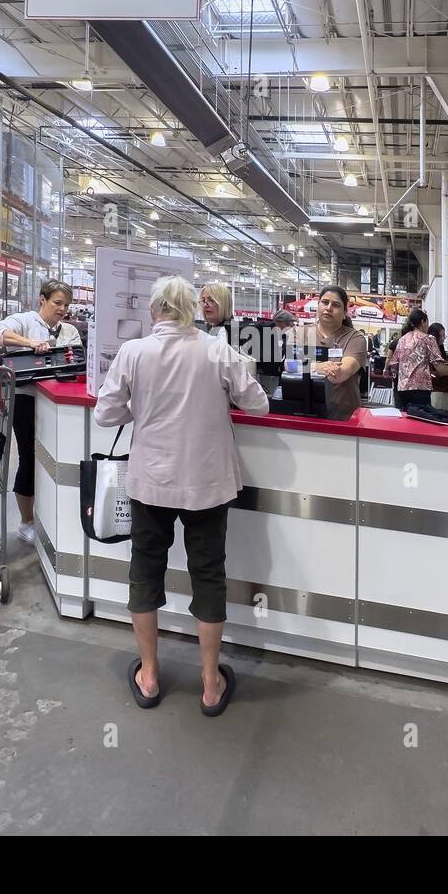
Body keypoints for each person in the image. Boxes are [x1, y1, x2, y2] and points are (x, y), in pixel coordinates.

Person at [95, 275, 268, 716]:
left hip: (150, 480)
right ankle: (210, 683)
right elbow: (258, 404)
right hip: (207, 481)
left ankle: (149, 675)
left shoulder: (134, 352)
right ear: (192, 309)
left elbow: (106, 414)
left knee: (145, 568)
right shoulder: (216, 350)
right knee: (209, 572)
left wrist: (145, 406)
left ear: (154, 311)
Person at [0, 280, 82, 544]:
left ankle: (52, 516)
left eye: (66, 305)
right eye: (57, 303)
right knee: (29, 458)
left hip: (61, 405)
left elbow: (75, 359)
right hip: (27, 400)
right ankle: (26, 522)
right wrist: (31, 343)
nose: (62, 309)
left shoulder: (70, 330)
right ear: (42, 300)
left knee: (58, 458)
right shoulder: (25, 320)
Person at [291, 285, 369, 421]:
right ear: (318, 305)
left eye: (336, 305)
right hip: (302, 412)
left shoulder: (355, 338)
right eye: (325, 302)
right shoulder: (299, 333)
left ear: (345, 313)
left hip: (343, 416)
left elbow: (338, 374)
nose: (328, 308)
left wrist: (306, 366)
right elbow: (289, 366)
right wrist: (318, 367)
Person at [390, 309, 448, 411]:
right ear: (423, 322)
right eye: (427, 322)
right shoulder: (428, 339)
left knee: (405, 422)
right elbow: (441, 369)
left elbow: (393, 365)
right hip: (420, 390)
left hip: (402, 390)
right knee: (420, 422)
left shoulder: (402, 340)